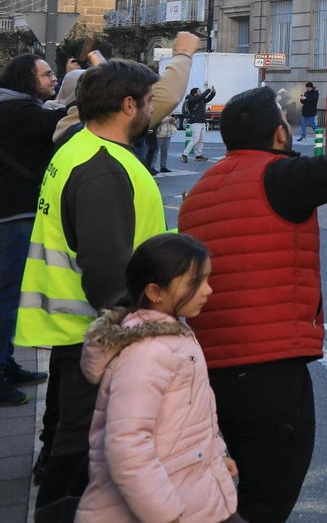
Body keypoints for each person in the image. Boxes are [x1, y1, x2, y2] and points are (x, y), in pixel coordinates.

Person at [178, 42, 327, 523]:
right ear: (279, 135)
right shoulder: (278, 177)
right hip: (268, 375)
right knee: (267, 502)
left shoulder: (198, 192)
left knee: (227, 496)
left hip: (211, 373)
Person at [17, 60, 171, 523]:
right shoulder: (103, 169)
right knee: (83, 452)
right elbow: (107, 273)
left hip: (74, 330)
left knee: (73, 440)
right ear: (128, 105)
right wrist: (146, 329)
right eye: (146, 102)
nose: (151, 110)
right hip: (95, 333)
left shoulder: (78, 145)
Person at [75, 233, 242, 523]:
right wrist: (165, 515)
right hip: (162, 509)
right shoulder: (148, 353)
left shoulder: (173, 336)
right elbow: (127, 446)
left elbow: (192, 417)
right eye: (195, 283)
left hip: (191, 494)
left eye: (207, 279)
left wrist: (215, 456)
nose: (208, 291)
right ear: (155, 292)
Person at [0, 54, 67, 405]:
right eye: (46, 75)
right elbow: (61, 120)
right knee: (7, 298)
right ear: (26, 80)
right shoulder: (19, 112)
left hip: (11, 213)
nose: (53, 78)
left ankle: (6, 363)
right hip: (14, 216)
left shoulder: (13, 107)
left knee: (8, 297)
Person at [181, 85, 215, 162]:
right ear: (195, 94)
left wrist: (213, 93)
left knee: (201, 140)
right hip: (195, 122)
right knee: (195, 139)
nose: (201, 92)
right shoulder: (191, 100)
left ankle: (199, 155)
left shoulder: (200, 100)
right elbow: (201, 97)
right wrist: (208, 90)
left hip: (202, 121)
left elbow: (207, 99)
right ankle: (184, 154)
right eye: (199, 91)